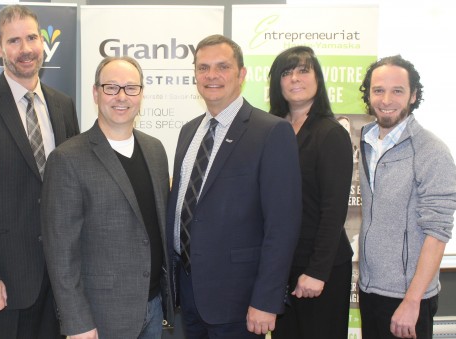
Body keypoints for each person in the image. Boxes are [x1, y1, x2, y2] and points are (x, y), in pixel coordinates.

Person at [0, 4, 79, 339]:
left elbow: (74, 190)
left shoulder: (63, 105)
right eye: (14, 41)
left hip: (60, 280)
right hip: (5, 282)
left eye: (32, 38)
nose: (26, 49)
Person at [166, 34, 302, 338]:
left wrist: (266, 300)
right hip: (188, 292)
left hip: (240, 301)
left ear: (241, 74)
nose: (211, 76)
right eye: (203, 68)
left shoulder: (271, 132)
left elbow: (283, 225)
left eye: (222, 67)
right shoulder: (189, 132)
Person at [41, 56, 173, 339]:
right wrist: (77, 322)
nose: (121, 96)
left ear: (141, 94)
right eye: (111, 87)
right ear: (95, 92)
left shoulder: (155, 150)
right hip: (100, 317)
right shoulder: (67, 158)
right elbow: (60, 252)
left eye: (131, 88)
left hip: (154, 309)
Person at [358, 55, 456, 339]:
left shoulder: (431, 151)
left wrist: (412, 301)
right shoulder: (365, 140)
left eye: (397, 91)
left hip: (408, 298)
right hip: (370, 289)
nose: (386, 99)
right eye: (378, 90)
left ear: (413, 95)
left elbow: (437, 233)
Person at [267, 46, 353, 339]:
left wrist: (317, 271)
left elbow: (334, 210)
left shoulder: (331, 133)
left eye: (303, 70)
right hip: (282, 267)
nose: (294, 78)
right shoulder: (273, 130)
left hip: (319, 270)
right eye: (286, 72)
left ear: (318, 78)